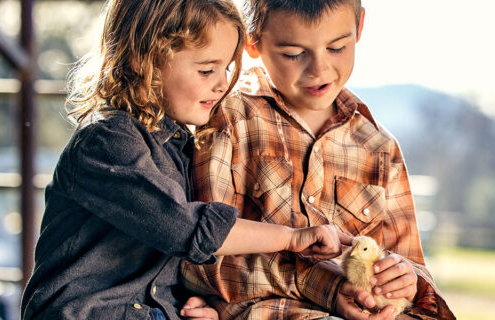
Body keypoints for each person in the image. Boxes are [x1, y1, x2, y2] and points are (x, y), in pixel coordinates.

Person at [20, 1, 350, 319]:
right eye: (207, 69)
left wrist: (190, 306)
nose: (222, 84)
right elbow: (181, 228)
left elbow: (167, 267)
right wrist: (292, 237)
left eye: (226, 69)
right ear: (143, 60)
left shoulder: (178, 145)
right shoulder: (106, 141)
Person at [183, 0, 455, 319]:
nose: (319, 69)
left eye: (336, 47)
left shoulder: (381, 148)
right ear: (253, 42)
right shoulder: (226, 118)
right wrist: (325, 287)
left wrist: (404, 282)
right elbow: (199, 250)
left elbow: (414, 275)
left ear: (359, 27)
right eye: (294, 53)